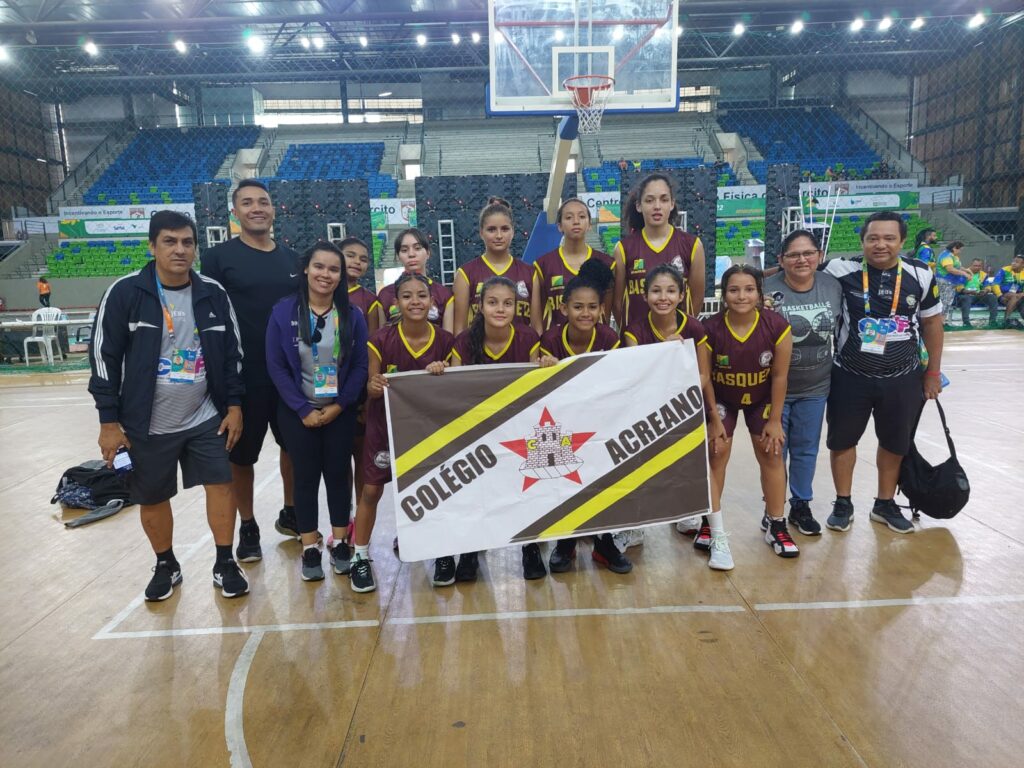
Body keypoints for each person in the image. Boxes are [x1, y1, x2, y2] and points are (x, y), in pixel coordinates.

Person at [88, 210, 247, 601]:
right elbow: (102, 358)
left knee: (221, 486)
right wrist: (109, 422)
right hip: (145, 422)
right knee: (152, 497)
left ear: (196, 247)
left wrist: (235, 405)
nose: (180, 250)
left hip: (205, 415)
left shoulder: (213, 292)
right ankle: (166, 563)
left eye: (187, 242)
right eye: (170, 242)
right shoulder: (126, 293)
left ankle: (225, 562)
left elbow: (233, 355)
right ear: (152, 246)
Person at [822, 210, 944, 535]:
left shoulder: (921, 274)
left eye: (889, 238)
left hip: (903, 377)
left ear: (902, 242)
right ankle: (843, 501)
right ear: (862, 241)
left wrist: (933, 372)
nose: (880, 245)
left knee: (894, 443)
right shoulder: (840, 269)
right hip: (849, 375)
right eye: (873, 238)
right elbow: (799, 268)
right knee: (842, 441)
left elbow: (932, 323)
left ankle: (884, 503)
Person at [200, 179, 301, 562]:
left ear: (273, 210)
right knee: (241, 456)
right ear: (236, 212)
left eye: (263, 201)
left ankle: (292, 512)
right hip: (243, 375)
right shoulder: (218, 258)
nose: (256, 208)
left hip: (290, 374)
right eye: (247, 202)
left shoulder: (293, 259)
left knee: (294, 447)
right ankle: (248, 524)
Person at [266, 242, 368, 582]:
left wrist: (340, 406)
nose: (326, 275)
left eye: (334, 269)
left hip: (339, 411)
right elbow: (276, 367)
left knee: (339, 475)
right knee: (305, 477)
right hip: (298, 413)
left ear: (341, 275)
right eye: (319, 267)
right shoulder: (283, 312)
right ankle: (310, 545)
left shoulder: (352, 315)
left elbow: (359, 368)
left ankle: (341, 541)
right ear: (306, 269)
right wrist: (300, 408)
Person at [435, 277, 547, 586]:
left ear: (517, 306)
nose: (500, 308)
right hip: (477, 429)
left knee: (526, 487)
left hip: (517, 426)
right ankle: (471, 549)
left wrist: (548, 365)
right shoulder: (463, 342)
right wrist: (438, 371)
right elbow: (453, 388)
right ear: (480, 306)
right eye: (493, 302)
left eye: (508, 303)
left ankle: (530, 546)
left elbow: (539, 384)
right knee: (476, 491)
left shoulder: (528, 338)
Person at [623, 264, 733, 570]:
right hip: (647, 410)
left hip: (684, 408)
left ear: (682, 294)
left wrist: (713, 417)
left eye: (671, 290)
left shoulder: (694, 328)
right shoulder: (634, 329)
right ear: (644, 296)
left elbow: (703, 375)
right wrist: (664, 353)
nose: (663, 297)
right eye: (656, 290)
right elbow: (637, 375)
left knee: (701, 469)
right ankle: (635, 526)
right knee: (639, 468)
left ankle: (720, 537)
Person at [350, 273, 455, 593]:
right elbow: (370, 386)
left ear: (432, 301)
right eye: (407, 296)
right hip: (385, 427)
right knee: (370, 492)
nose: (415, 302)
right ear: (395, 303)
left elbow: (456, 388)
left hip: (429, 430)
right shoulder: (380, 340)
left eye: (422, 295)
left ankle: (442, 552)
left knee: (437, 491)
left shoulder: (446, 341)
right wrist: (374, 385)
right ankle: (360, 556)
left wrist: (444, 371)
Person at [537, 261, 631, 574]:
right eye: (578, 307)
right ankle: (566, 541)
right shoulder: (550, 341)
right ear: (564, 308)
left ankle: (603, 543)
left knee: (601, 481)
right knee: (563, 481)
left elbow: (620, 381)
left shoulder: (608, 338)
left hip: (598, 424)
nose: (585, 313)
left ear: (602, 309)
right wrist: (543, 367)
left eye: (592, 307)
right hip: (561, 426)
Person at [704, 265, 797, 558]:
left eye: (748, 289)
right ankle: (710, 523)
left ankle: (776, 523)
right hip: (722, 399)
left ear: (759, 293)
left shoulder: (777, 326)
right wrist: (713, 419)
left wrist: (775, 419)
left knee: (772, 453)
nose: (741, 296)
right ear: (723, 294)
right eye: (734, 290)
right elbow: (704, 378)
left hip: (761, 400)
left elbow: (780, 376)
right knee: (716, 453)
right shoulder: (710, 328)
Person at [763, 230, 843, 535]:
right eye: (793, 255)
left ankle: (801, 504)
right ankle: (773, 509)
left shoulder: (832, 287)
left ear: (819, 257)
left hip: (816, 387)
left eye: (808, 253)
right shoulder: (764, 288)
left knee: (806, 448)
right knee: (774, 451)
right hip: (772, 389)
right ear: (781, 260)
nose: (801, 260)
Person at [612, 172, 706, 329]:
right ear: (639, 206)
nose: (657, 206)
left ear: (672, 204)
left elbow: (696, 299)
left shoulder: (693, 245)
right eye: (649, 200)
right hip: (637, 344)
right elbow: (617, 303)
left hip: (677, 341)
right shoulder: (623, 249)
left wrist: (682, 330)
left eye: (664, 199)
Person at [530, 198, 614, 333]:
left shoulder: (607, 263)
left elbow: (607, 312)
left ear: (589, 224)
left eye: (582, 216)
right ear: (559, 225)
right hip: (555, 347)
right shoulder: (543, 265)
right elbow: (537, 317)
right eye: (569, 217)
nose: (576, 221)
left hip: (595, 343)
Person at [452, 201, 534, 334]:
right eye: (491, 229)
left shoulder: (530, 273)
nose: (499, 235)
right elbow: (459, 330)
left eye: (505, 229)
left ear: (513, 231)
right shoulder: (465, 274)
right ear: (481, 233)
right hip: (478, 352)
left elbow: (537, 328)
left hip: (520, 352)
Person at [376, 228, 453, 330]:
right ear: (398, 256)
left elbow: (448, 339)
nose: (411, 254)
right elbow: (381, 338)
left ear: (428, 253)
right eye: (404, 250)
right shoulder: (385, 294)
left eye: (417, 248)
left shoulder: (444, 295)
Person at [341, 236, 384, 335]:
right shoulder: (325, 292)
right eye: (350, 256)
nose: (357, 262)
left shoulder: (370, 299)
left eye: (363, 260)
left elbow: (372, 339)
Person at [935, 241, 972, 325]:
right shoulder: (946, 256)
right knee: (944, 302)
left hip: (951, 282)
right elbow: (950, 269)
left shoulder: (953, 256)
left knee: (947, 302)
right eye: (960, 250)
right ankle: (939, 323)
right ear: (954, 248)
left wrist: (966, 270)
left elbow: (957, 266)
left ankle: (942, 322)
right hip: (944, 282)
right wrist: (964, 274)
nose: (960, 252)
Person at [955, 258, 999, 327]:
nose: (977, 267)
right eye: (975, 265)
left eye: (979, 266)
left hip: (978, 295)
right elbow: (959, 288)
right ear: (971, 265)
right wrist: (970, 292)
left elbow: (988, 286)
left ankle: (992, 321)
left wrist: (985, 291)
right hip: (966, 295)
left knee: (992, 297)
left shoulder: (983, 275)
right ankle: (966, 323)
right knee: (966, 299)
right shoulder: (964, 273)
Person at [991, 254, 1024, 328]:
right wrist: (999, 296)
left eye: (1017, 262)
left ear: (1023, 264)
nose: (1013, 263)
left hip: (1019, 296)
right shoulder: (1004, 270)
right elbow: (995, 284)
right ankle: (1006, 320)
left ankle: (1007, 321)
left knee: (1017, 297)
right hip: (1003, 295)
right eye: (1013, 261)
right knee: (1015, 296)